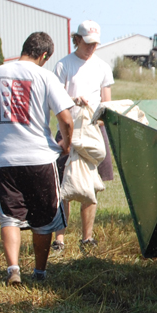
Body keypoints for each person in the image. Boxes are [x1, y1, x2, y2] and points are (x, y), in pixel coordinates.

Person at [0, 32, 74, 285]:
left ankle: (13, 269)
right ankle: (40, 272)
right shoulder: (45, 76)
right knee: (43, 219)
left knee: (9, 215)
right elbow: (65, 119)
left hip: (5, 159)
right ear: (44, 55)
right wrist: (66, 144)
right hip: (39, 159)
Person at [52, 20, 115, 253]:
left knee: (90, 187)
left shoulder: (102, 67)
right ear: (76, 39)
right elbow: (55, 101)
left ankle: (87, 238)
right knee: (63, 186)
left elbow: (107, 103)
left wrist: (98, 119)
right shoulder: (63, 66)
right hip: (68, 130)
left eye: (95, 44)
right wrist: (73, 102)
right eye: (87, 43)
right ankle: (59, 239)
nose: (91, 48)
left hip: (93, 133)